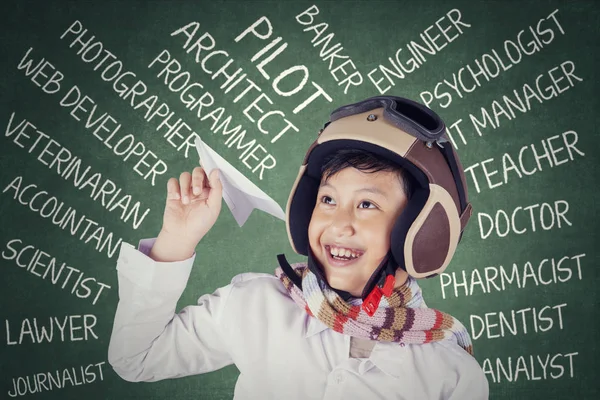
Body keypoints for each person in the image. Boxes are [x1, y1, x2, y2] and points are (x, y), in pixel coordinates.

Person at [108, 96, 489, 399]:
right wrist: (177, 240)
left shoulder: (449, 375)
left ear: (423, 230)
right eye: (327, 200)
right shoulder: (255, 305)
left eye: (367, 204)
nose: (339, 224)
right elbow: (137, 359)